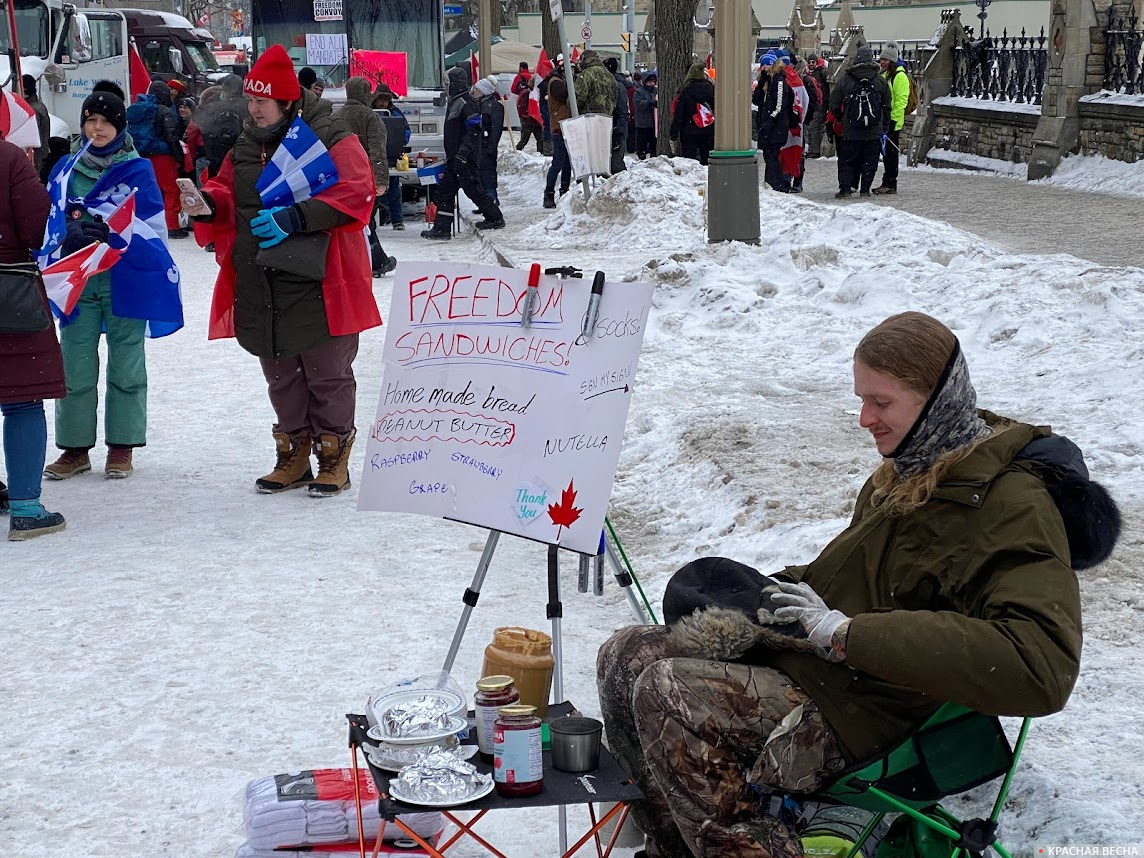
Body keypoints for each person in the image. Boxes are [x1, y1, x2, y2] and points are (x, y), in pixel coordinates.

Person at [598, 310, 1117, 858]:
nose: (865, 418)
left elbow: (1042, 667)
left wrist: (852, 635)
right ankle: (674, 844)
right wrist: (769, 597)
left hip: (881, 713)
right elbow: (860, 581)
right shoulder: (908, 467)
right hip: (833, 674)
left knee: (671, 692)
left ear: (934, 398)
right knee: (625, 654)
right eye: (861, 399)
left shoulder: (1010, 505)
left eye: (881, 402)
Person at [191, 44, 380, 496]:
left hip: (319, 276)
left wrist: (297, 217)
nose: (252, 109)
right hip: (261, 273)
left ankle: (333, 455)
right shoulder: (245, 143)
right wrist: (207, 202)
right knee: (280, 371)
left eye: (261, 102)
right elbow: (227, 188)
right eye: (251, 100)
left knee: (326, 372)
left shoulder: (331, 135)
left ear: (287, 101)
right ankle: (293, 453)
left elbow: (358, 190)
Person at [43, 89, 183, 481]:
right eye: (91, 120)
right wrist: (69, 231)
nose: (98, 128)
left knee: (127, 363)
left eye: (106, 121)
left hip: (127, 279)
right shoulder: (66, 169)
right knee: (76, 364)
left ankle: (121, 446)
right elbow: (49, 218)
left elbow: (153, 227)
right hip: (78, 281)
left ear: (120, 126)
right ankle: (74, 449)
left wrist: (112, 232)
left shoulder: (138, 171)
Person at [0, 136, 65, 539]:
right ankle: (26, 508)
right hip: (10, 293)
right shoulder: (8, 158)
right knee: (21, 401)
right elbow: (38, 227)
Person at [421, 66, 505, 239]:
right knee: (445, 192)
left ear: (456, 84)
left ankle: (495, 217)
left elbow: (474, 129)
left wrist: (463, 152)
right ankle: (442, 229)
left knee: (473, 190)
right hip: (455, 158)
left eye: (448, 83)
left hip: (464, 158)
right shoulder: (455, 101)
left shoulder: (467, 103)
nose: (446, 86)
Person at [341, 76, 396, 276]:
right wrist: (381, 180)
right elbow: (377, 150)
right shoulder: (371, 117)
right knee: (366, 222)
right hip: (364, 178)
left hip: (341, 179)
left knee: (348, 222)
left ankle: (358, 262)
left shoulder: (336, 116)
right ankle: (376, 262)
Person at [827, 45, 891, 198]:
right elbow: (887, 105)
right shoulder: (879, 80)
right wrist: (884, 125)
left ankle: (845, 189)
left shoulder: (846, 79)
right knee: (869, 162)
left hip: (851, 129)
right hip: (873, 130)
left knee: (847, 161)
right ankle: (864, 190)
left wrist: (842, 117)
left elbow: (833, 102)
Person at [126, 80, 187, 236]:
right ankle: (172, 226)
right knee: (171, 190)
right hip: (162, 157)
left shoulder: (140, 109)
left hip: (141, 154)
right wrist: (179, 157)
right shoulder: (165, 111)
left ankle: (146, 223)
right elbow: (171, 136)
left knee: (150, 190)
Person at [371, 84, 410, 230]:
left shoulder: (396, 113)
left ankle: (397, 220)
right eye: (380, 99)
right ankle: (371, 221)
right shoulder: (368, 112)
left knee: (394, 189)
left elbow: (406, 131)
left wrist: (400, 141)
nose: (382, 103)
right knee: (372, 191)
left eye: (385, 100)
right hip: (372, 157)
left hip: (392, 156)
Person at [874, 42, 910, 195]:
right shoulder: (884, 74)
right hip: (883, 120)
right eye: (881, 59)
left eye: (885, 60)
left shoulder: (900, 77)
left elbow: (901, 100)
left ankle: (890, 183)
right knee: (885, 154)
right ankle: (886, 182)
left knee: (890, 154)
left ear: (892, 61)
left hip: (892, 122)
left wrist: (893, 120)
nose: (882, 62)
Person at [753, 52, 793, 191]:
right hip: (767, 124)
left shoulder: (779, 80)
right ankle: (772, 182)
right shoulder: (767, 81)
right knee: (769, 155)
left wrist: (770, 120)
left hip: (776, 126)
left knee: (772, 155)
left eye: (767, 65)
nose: (764, 68)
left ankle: (776, 184)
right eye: (762, 65)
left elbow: (780, 105)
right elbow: (756, 100)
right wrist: (760, 84)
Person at [197, 74, 246, 180]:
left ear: (224, 89)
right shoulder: (250, 107)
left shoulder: (212, 108)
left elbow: (203, 129)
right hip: (242, 160)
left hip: (217, 160)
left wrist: (211, 154)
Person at [670, 63, 715, 165]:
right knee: (707, 159)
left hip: (689, 130)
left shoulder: (686, 90)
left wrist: (674, 132)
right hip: (708, 129)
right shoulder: (710, 89)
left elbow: (679, 113)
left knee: (689, 160)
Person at [542, 66, 571, 209]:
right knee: (558, 161)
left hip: (566, 125)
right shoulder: (556, 83)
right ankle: (549, 192)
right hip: (559, 127)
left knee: (566, 162)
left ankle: (564, 190)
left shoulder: (560, 81)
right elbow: (566, 96)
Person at [474, 76, 504, 205]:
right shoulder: (480, 105)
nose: (474, 92)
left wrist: (490, 147)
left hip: (486, 147)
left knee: (487, 175)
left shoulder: (493, 106)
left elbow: (495, 130)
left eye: (477, 90)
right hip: (480, 146)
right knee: (480, 175)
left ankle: (491, 200)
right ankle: (485, 202)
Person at [603, 57, 629, 174]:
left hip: (616, 126)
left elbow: (622, 110)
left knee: (616, 163)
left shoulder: (617, 86)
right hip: (612, 125)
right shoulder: (615, 84)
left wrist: (619, 129)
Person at [21, 74, 51, 177]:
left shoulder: (30, 110)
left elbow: (31, 141)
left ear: (24, 89)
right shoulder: (38, 106)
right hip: (40, 156)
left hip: (34, 159)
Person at [575, 50, 617, 118]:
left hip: (589, 117)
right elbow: (614, 97)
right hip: (606, 118)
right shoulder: (609, 75)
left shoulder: (586, 74)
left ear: (584, 59)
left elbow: (578, 97)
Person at [805, 55, 830, 158]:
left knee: (814, 128)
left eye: (813, 62)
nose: (811, 64)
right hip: (811, 105)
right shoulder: (806, 73)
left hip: (820, 106)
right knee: (810, 129)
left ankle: (815, 150)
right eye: (809, 62)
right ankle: (811, 149)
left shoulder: (821, 72)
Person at [515, 76, 544, 154]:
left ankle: (540, 153)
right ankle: (517, 151)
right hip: (529, 120)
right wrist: (527, 115)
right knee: (525, 139)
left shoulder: (528, 93)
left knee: (538, 139)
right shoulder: (528, 94)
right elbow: (523, 107)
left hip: (532, 120)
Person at [633, 70, 657, 160]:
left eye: (653, 82)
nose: (651, 84)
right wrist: (650, 103)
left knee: (653, 143)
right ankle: (641, 155)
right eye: (649, 82)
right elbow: (638, 103)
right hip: (642, 123)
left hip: (653, 122)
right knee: (641, 143)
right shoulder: (639, 92)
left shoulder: (656, 90)